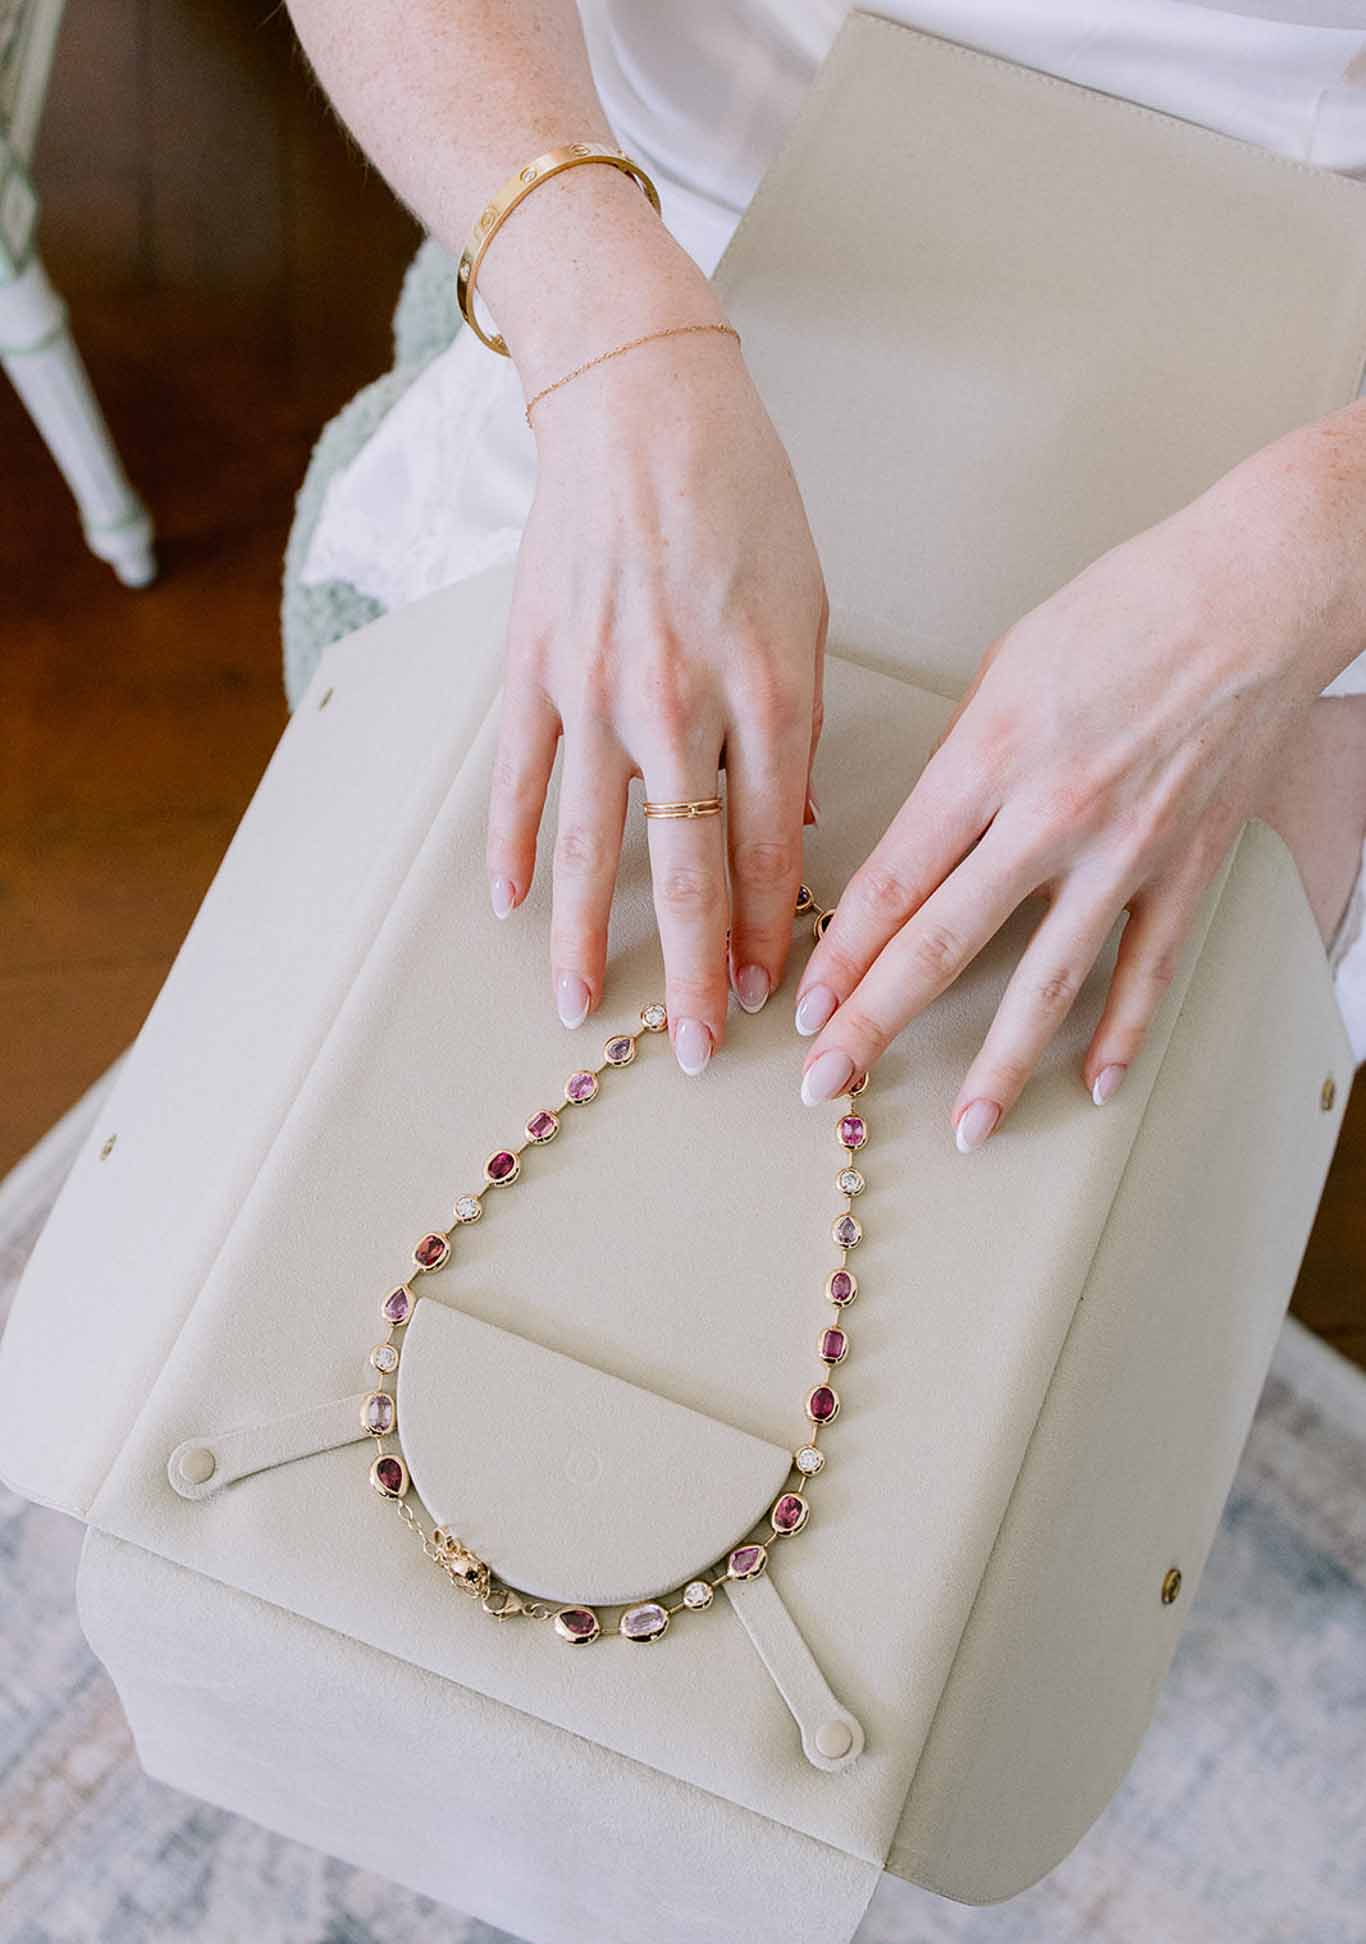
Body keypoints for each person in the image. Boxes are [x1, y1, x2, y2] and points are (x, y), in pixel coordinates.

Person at [286, 0, 1366, 1148]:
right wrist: (609, 346)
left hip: (1300, 345)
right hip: (653, 229)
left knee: (1088, 1145)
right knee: (429, 1060)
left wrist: (1297, 559)